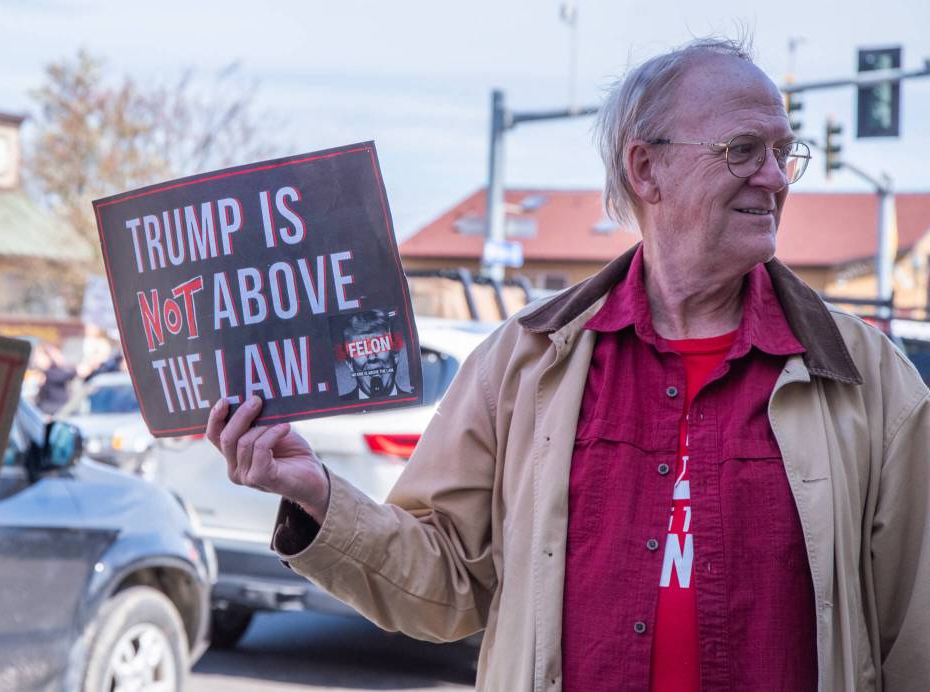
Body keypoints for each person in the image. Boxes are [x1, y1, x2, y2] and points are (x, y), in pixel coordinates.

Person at [206, 37, 930, 691]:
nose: (774, 178)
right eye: (743, 150)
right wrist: (317, 496)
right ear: (646, 169)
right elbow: (446, 582)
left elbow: (914, 639)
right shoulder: (523, 362)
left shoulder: (868, 378)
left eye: (783, 151)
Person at [337, 309, 412, 400]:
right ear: (350, 364)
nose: (372, 357)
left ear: (395, 355)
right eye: (361, 349)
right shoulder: (336, 411)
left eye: (379, 345)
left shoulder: (415, 406)